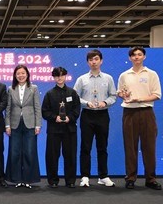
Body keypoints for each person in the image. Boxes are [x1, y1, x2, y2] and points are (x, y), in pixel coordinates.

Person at [117, 46, 162, 190]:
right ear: (130, 58)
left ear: (144, 57)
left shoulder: (151, 74)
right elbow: (120, 92)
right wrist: (122, 95)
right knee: (130, 146)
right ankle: (130, 178)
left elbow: (157, 95)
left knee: (149, 147)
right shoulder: (124, 75)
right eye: (134, 55)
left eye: (139, 54)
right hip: (129, 113)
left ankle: (150, 179)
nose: (136, 57)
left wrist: (140, 99)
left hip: (147, 112)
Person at [73, 49, 117, 187]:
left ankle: (103, 176)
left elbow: (113, 96)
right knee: (85, 146)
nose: (94, 62)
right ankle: (85, 176)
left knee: (102, 147)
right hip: (87, 115)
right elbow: (75, 97)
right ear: (87, 62)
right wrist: (86, 103)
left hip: (103, 115)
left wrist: (105, 102)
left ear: (101, 61)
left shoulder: (108, 78)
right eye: (91, 60)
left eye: (96, 59)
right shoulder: (82, 79)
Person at [42, 67, 81, 188]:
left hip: (70, 129)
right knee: (52, 156)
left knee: (70, 155)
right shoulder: (49, 94)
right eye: (57, 76)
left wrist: (70, 117)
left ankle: (70, 181)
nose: (59, 78)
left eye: (62, 75)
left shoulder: (72, 93)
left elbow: (77, 109)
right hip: (54, 130)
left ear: (65, 76)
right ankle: (53, 181)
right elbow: (45, 112)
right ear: (53, 77)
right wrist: (55, 117)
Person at [5, 65, 41, 189]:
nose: (21, 75)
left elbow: (37, 107)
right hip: (14, 124)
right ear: (15, 75)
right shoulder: (11, 89)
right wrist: (7, 125)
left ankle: (28, 179)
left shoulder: (34, 88)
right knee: (15, 153)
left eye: (23, 73)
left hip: (30, 123)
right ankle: (16, 179)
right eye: (18, 73)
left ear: (27, 74)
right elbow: (8, 108)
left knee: (29, 152)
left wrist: (38, 125)